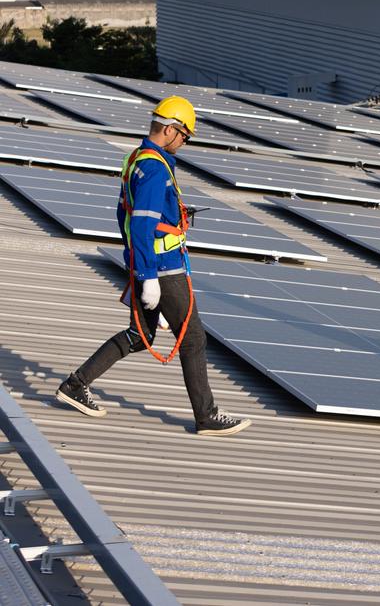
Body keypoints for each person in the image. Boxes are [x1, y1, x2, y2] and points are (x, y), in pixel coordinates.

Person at [56, 96, 252, 437]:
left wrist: (135, 263)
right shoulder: (156, 169)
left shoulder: (137, 159)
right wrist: (148, 278)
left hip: (148, 264)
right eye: (186, 135)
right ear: (171, 129)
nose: (186, 142)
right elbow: (143, 226)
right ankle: (206, 416)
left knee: (139, 335)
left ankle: (75, 385)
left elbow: (124, 217)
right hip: (164, 268)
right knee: (193, 340)